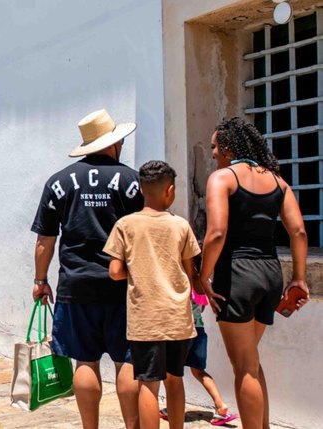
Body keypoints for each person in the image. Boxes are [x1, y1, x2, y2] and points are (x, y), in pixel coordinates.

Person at [31, 109, 143, 429]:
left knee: (85, 360)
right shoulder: (133, 181)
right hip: (123, 284)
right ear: (114, 142)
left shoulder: (59, 182)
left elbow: (45, 239)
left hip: (76, 285)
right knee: (127, 360)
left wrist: (40, 280)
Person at [198, 118, 309, 428]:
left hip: (237, 275)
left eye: (215, 147)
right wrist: (298, 278)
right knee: (252, 360)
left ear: (229, 148)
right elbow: (298, 231)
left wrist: (204, 276)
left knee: (244, 366)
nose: (213, 154)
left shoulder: (222, 179)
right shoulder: (278, 182)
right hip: (270, 274)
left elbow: (216, 233)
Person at [104, 160, 201, 429]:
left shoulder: (125, 225)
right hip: (177, 316)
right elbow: (189, 271)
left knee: (148, 383)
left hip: (144, 318)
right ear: (169, 191)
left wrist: (136, 273)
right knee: (175, 379)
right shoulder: (180, 226)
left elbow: (114, 271)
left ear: (141, 190)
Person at [160, 283, 237, 426]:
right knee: (199, 371)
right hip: (199, 331)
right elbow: (201, 306)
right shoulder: (201, 284)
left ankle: (174, 410)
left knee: (171, 375)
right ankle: (220, 405)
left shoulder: (180, 283)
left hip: (182, 331)